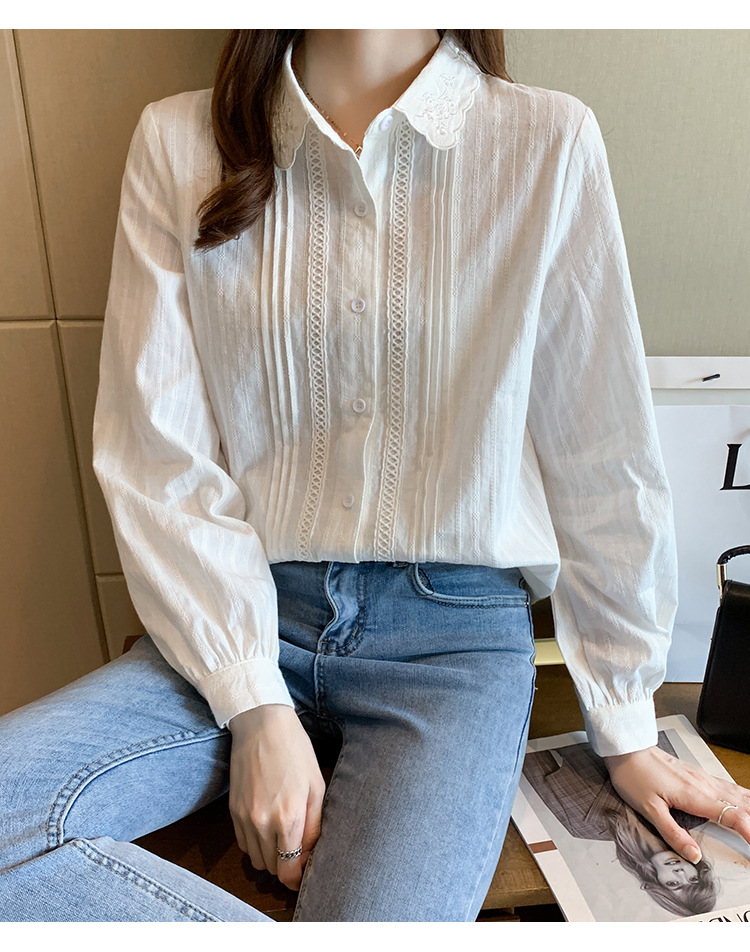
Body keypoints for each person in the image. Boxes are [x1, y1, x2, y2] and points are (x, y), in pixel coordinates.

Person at [0, 28, 749, 923]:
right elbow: (156, 455)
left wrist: (623, 721)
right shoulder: (179, 142)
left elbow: (601, 449)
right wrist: (254, 704)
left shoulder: (546, 141)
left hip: (452, 645)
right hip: (238, 611)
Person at [522, 734, 718, 916]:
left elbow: (528, 755)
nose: (681, 873)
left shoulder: (583, 825)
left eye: (674, 884)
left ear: (654, 881)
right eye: (693, 879)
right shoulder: (694, 812)